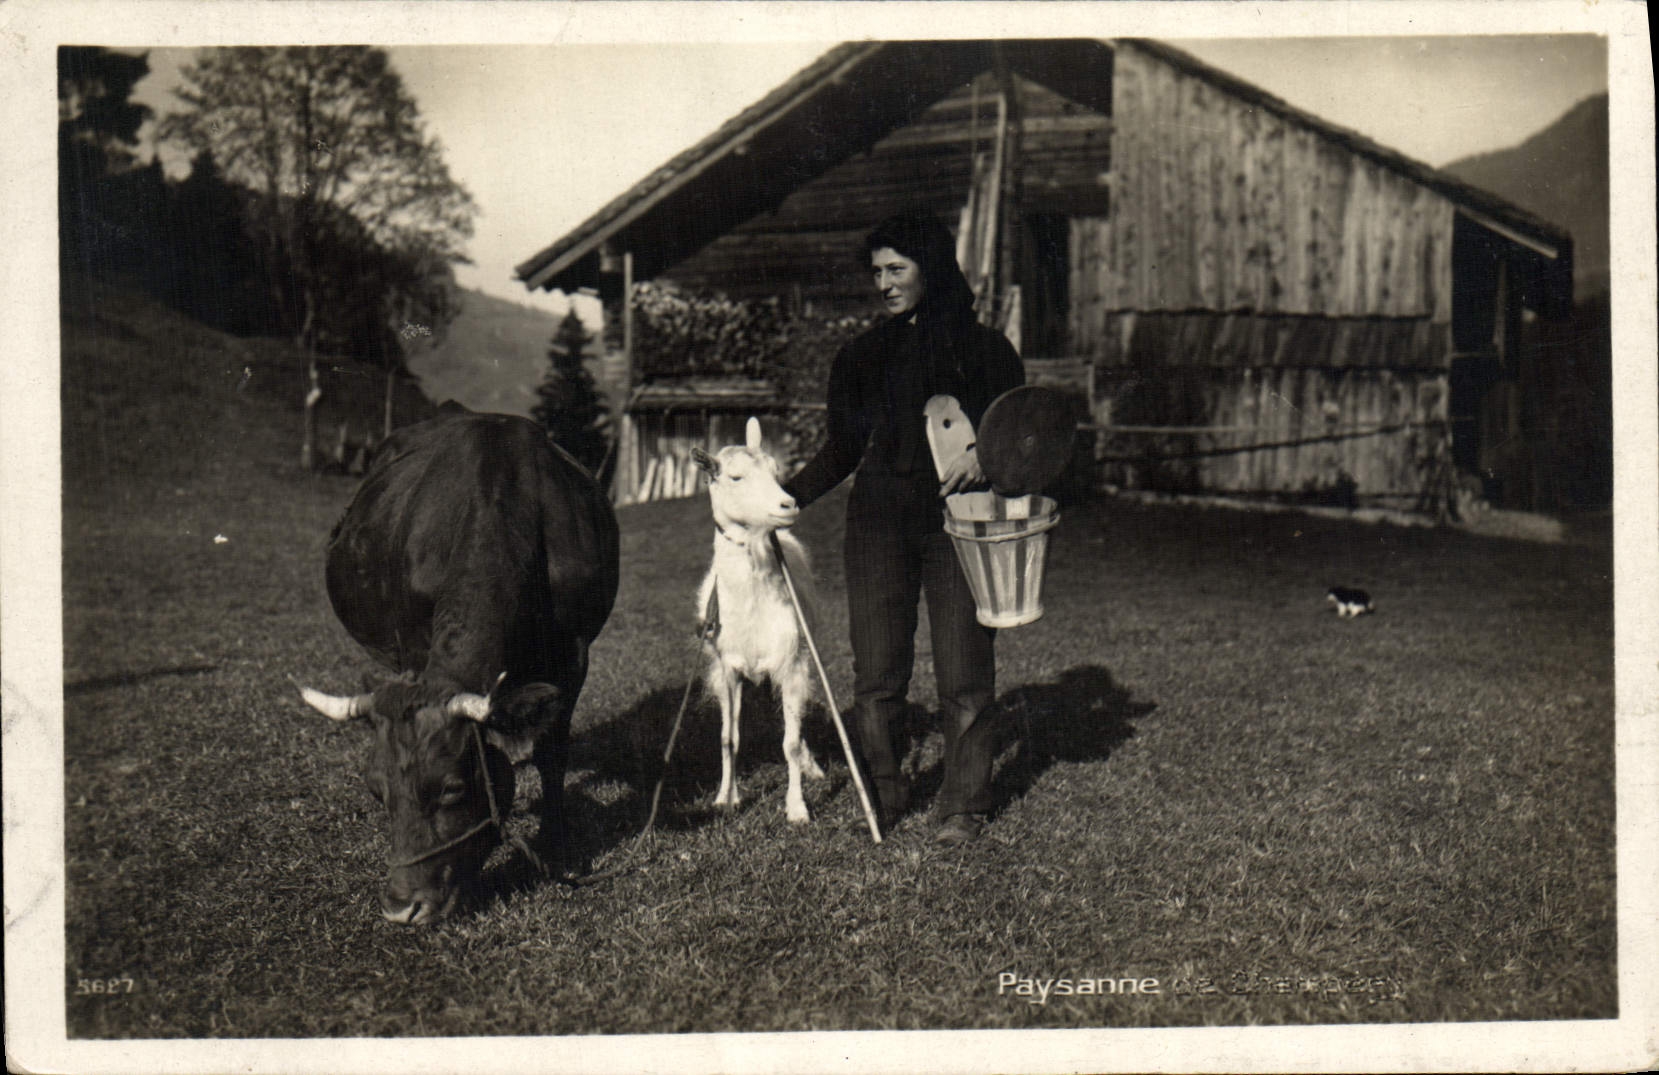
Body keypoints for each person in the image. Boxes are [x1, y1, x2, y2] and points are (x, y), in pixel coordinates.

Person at [782, 211, 1025, 845]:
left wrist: (987, 457)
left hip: (960, 529)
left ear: (932, 268)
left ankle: (964, 804)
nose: (884, 283)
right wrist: (782, 499)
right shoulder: (861, 356)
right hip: (878, 528)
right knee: (877, 674)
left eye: (897, 269)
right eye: (877, 273)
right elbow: (841, 450)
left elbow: (1022, 438)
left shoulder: (988, 351)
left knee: (965, 670)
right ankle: (882, 794)